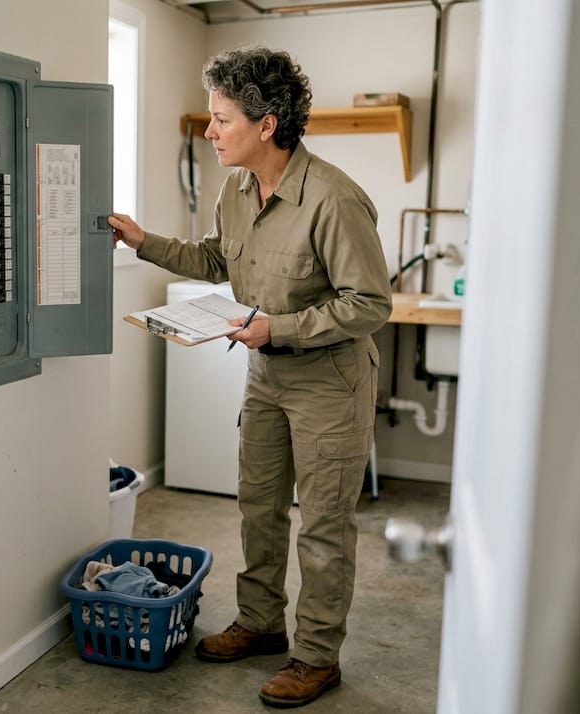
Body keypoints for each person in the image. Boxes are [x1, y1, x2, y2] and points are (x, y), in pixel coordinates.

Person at [108, 46, 391, 708]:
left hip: (331, 382)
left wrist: (277, 329)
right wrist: (142, 240)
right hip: (267, 376)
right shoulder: (236, 189)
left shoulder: (334, 199)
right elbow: (214, 259)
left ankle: (317, 657)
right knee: (258, 507)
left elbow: (370, 304)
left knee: (323, 526)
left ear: (267, 125)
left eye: (221, 119)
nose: (209, 132)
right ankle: (261, 623)